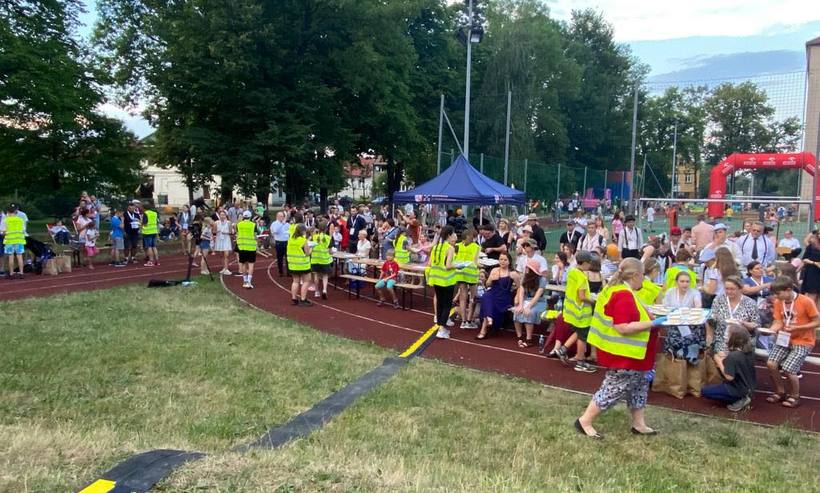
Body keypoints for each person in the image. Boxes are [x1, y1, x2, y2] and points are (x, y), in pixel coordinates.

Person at [577, 258, 665, 438]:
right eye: (643, 276)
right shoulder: (623, 294)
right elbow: (622, 327)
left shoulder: (621, 290)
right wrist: (652, 323)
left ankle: (639, 424)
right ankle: (585, 420)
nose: (644, 280)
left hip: (634, 354)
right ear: (635, 275)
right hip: (624, 354)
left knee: (639, 386)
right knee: (613, 388)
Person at [766, 276, 820, 409]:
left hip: (804, 340)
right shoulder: (779, 302)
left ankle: (795, 396)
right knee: (771, 363)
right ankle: (780, 391)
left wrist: (798, 328)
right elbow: (778, 321)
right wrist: (771, 330)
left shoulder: (806, 301)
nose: (776, 296)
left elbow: (817, 321)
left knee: (789, 368)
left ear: (788, 289)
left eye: (778, 293)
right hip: (784, 339)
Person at [701, 327, 757, 412]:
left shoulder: (733, 356)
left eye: (728, 335)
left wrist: (719, 361)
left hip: (737, 389)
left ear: (734, 339)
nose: (726, 337)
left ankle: (739, 399)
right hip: (749, 387)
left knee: (705, 391)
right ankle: (744, 396)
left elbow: (729, 377)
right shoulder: (750, 352)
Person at [558, 251, 596, 372]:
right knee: (582, 337)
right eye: (589, 262)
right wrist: (593, 301)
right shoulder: (582, 277)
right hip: (582, 312)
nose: (590, 265)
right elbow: (582, 296)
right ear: (584, 263)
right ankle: (580, 361)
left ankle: (563, 349)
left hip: (572, 310)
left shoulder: (572, 272)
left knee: (578, 332)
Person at [708, 276, 759, 355]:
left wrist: (743, 323)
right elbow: (711, 320)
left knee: (736, 356)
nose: (729, 291)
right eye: (727, 289)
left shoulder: (750, 303)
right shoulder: (718, 300)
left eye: (732, 289)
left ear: (740, 289)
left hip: (742, 340)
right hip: (721, 339)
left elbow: (755, 325)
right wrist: (713, 319)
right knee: (722, 355)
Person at [662, 270, 703, 362]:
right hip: (673, 323)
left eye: (687, 282)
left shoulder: (695, 292)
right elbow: (665, 307)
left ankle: (687, 356)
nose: (685, 284)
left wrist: (696, 307)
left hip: (689, 324)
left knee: (690, 335)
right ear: (676, 282)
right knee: (672, 334)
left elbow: (698, 306)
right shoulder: (670, 292)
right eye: (682, 281)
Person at [476, 252, 518, 340]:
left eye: (505, 260)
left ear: (509, 261)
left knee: (490, 302)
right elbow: (487, 285)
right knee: (486, 296)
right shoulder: (494, 270)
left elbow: (519, 287)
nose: (502, 261)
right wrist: (491, 279)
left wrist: (517, 298)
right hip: (492, 293)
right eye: (501, 259)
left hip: (504, 296)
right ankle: (487, 322)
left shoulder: (513, 273)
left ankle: (486, 325)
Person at [429, 225, 458, 339]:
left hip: (436, 278)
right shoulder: (450, 248)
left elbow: (430, 263)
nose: (455, 235)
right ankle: (442, 328)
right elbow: (448, 265)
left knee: (440, 303)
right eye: (454, 233)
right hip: (447, 280)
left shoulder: (436, 247)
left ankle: (440, 324)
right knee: (447, 305)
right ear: (449, 235)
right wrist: (458, 265)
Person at [512, 258, 549, 349]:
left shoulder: (542, 280)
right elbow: (521, 292)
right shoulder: (524, 278)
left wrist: (528, 307)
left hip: (539, 302)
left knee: (530, 312)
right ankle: (519, 337)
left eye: (528, 268)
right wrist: (520, 305)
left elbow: (537, 296)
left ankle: (529, 339)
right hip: (526, 300)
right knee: (516, 311)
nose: (526, 269)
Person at [455, 229, 481, 329]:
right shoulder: (476, 247)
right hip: (471, 274)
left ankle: (463, 321)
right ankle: (469, 321)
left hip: (460, 273)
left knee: (463, 297)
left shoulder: (458, 245)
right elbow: (476, 261)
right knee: (472, 298)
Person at [310, 220, 333, 300]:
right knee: (325, 276)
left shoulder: (314, 237)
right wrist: (331, 252)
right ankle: (324, 290)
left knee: (316, 275)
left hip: (315, 259)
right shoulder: (328, 238)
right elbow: (330, 251)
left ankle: (316, 291)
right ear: (326, 229)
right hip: (324, 260)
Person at [235, 211, 258, 289]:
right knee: (251, 264)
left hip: (242, 246)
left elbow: (237, 234)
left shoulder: (238, 224)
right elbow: (255, 236)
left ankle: (244, 281)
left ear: (243, 217)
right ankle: (249, 282)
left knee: (244, 264)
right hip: (251, 247)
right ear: (250, 217)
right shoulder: (253, 225)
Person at [0, 205, 25, 278]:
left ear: (7, 212)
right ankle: (21, 273)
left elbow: (2, 232)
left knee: (11, 257)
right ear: (16, 212)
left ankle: (11, 273)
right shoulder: (20, 220)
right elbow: (23, 230)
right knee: (19, 256)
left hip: (9, 241)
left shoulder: (5, 220)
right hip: (19, 240)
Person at [800, 232, 820, 307]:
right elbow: (804, 259)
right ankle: (810, 312)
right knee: (812, 295)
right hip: (813, 272)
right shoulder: (811, 246)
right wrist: (814, 263)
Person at [270, 211, 290, 276]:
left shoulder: (287, 224)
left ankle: (289, 272)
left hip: (286, 242)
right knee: (280, 258)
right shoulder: (274, 224)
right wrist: (282, 224)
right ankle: (280, 272)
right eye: (281, 216)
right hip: (279, 242)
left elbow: (289, 231)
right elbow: (275, 231)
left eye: (283, 216)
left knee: (288, 258)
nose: (282, 217)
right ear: (277, 217)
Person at [214, 210, 233, 275]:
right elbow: (213, 231)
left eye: (223, 215)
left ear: (225, 216)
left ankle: (227, 269)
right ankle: (224, 268)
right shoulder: (216, 222)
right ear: (219, 216)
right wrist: (217, 231)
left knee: (226, 255)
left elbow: (230, 232)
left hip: (226, 239)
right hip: (219, 239)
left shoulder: (229, 223)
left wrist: (226, 232)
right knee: (221, 254)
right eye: (221, 215)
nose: (222, 216)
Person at [141, 202, 160, 267]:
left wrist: (140, 223)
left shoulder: (145, 213)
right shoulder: (154, 213)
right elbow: (157, 222)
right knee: (154, 246)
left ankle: (151, 261)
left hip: (147, 232)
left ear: (144, 208)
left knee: (149, 247)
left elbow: (144, 223)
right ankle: (157, 261)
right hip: (154, 231)